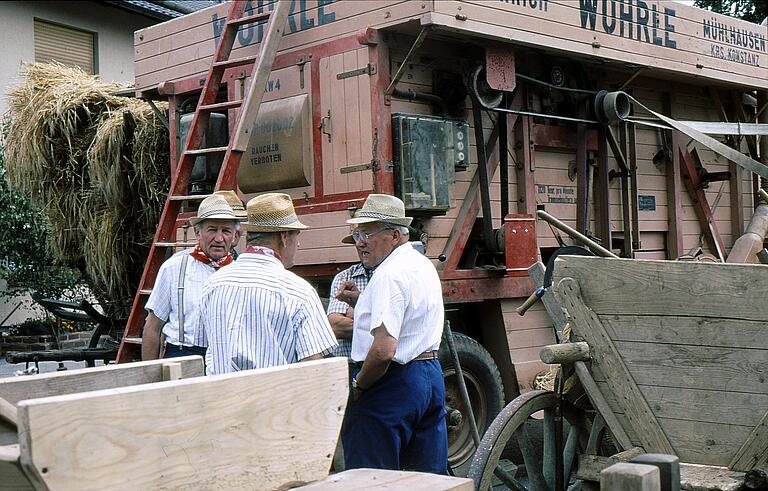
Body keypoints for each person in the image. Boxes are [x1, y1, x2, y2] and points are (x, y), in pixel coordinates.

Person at [337, 194, 447, 474]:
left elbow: (384, 350)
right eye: (358, 233)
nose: (359, 241)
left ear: (395, 235)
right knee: (426, 478)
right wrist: (363, 302)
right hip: (429, 374)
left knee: (370, 477)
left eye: (367, 233)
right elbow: (410, 318)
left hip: (391, 382)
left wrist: (359, 385)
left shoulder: (388, 274)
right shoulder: (422, 265)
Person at [199, 192, 338, 374]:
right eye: (297, 236)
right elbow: (312, 367)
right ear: (284, 237)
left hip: (221, 400)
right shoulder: (298, 291)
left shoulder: (213, 284)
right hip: (275, 400)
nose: (298, 245)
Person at [142, 194, 240, 360]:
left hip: (226, 358)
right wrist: (151, 376)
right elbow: (152, 327)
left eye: (226, 231)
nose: (219, 238)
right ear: (197, 232)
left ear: (234, 236)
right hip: (181, 355)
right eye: (212, 230)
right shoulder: (175, 267)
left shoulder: (240, 271)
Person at [327, 221, 373, 359]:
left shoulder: (392, 276)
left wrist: (355, 313)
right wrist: (378, 323)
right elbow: (336, 326)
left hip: (387, 367)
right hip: (351, 366)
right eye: (357, 237)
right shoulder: (345, 277)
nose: (360, 244)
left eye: (367, 236)